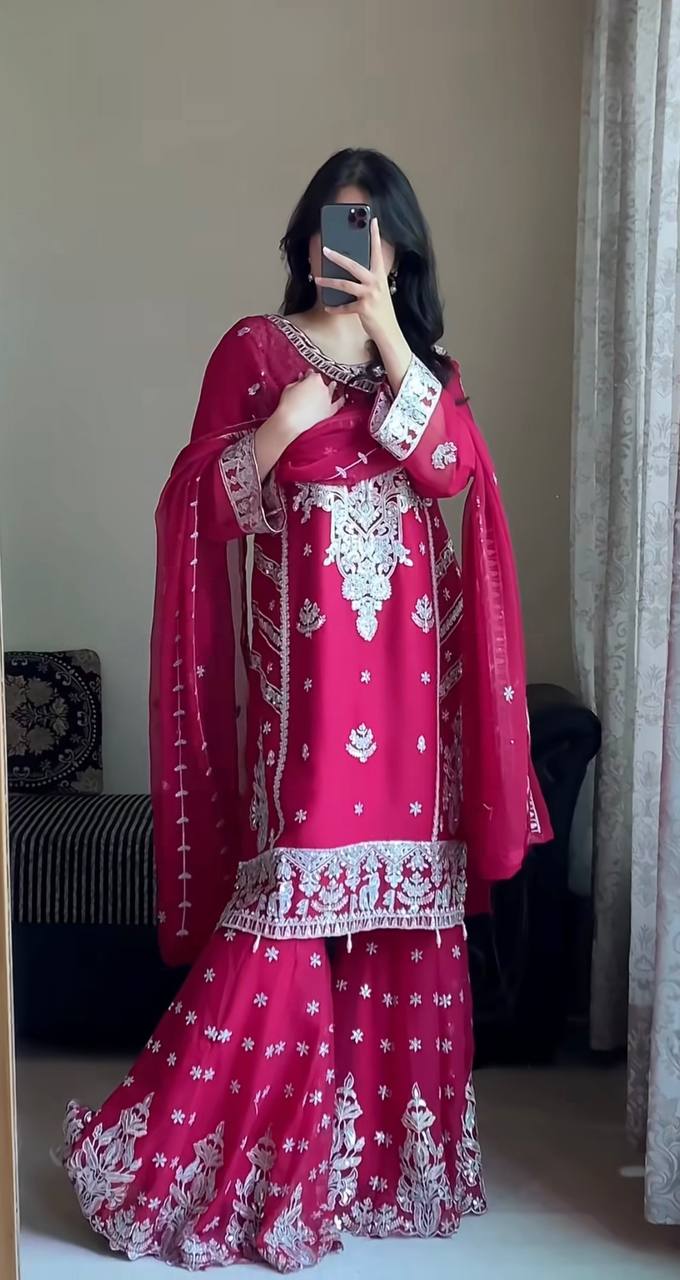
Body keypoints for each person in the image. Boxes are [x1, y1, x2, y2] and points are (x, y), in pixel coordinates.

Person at [61, 148, 551, 1271]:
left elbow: (444, 470)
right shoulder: (252, 347)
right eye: (341, 226)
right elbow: (201, 505)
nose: (355, 244)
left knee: (405, 920)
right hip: (312, 696)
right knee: (286, 907)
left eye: (376, 231)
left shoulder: (424, 370)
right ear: (308, 235)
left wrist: (385, 331)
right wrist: (278, 430)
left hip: (414, 705)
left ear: (400, 249)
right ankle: (210, 1168)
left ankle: (377, 1172)